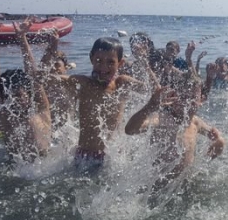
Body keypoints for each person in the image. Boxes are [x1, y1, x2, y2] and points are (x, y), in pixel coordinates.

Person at [45, 35, 157, 168]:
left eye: (110, 62)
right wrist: (52, 48)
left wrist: (144, 62)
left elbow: (154, 90)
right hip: (83, 156)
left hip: (111, 158)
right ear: (91, 58)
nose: (104, 67)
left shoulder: (122, 83)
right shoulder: (83, 83)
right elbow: (43, 78)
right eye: (98, 60)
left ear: (120, 63)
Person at [125, 70, 225, 204]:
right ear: (172, 98)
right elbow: (130, 130)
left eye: (191, 98)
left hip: (184, 183)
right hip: (158, 186)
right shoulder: (162, 119)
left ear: (201, 99)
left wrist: (219, 142)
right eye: (181, 97)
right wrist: (150, 106)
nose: (186, 102)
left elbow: (214, 136)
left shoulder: (196, 122)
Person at [0, 17, 51, 161]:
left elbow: (33, 74)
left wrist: (22, 38)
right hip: (15, 167)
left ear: (29, 93)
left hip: (45, 164)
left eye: (19, 95)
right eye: (10, 97)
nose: (14, 100)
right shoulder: (6, 114)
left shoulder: (42, 111)